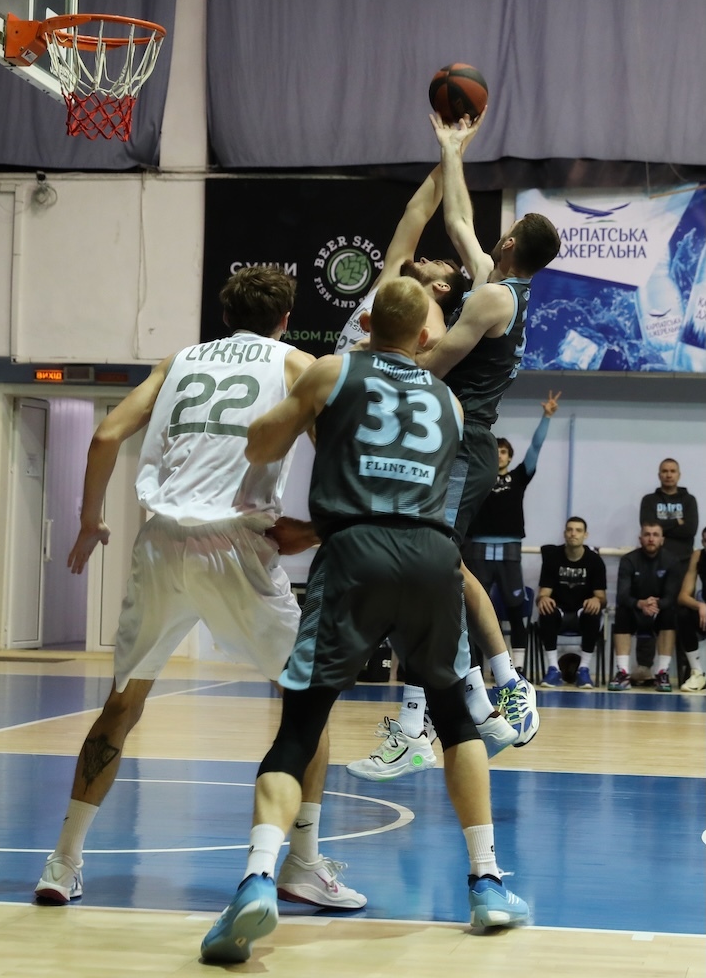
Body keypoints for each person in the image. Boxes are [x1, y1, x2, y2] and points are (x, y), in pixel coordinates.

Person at [200, 277, 530, 964]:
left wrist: (300, 421)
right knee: (455, 720)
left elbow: (260, 446)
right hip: (432, 557)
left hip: (354, 554)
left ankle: (258, 878)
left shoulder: (333, 369)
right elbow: (412, 484)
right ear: (426, 337)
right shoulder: (448, 400)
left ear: (368, 323)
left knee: (299, 728)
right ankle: (488, 883)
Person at [34, 266, 365, 912]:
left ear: (225, 317)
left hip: (160, 544)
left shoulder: (177, 360)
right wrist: (320, 530)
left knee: (121, 707)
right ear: (285, 320)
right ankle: (300, 862)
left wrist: (90, 520)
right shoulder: (297, 363)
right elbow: (339, 456)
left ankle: (63, 861)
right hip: (237, 541)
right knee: (307, 702)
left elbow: (105, 436)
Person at [347, 111, 561, 779]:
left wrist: (371, 363)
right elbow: (459, 220)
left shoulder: (493, 300)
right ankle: (475, 702)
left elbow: (434, 366)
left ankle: (479, 697)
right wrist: (452, 150)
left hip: (464, 442)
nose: (480, 240)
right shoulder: (496, 282)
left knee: (432, 572)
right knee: (435, 573)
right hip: (446, 440)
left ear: (510, 245)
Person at [462, 392, 561, 676]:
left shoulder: (519, 476)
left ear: (510, 456)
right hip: (478, 551)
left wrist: (547, 417)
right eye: (495, 450)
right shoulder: (477, 476)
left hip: (509, 551)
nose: (499, 455)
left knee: (517, 609)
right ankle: (475, 669)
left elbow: (536, 448)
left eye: (504, 451)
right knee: (473, 611)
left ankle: (517, 669)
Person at [535, 517, 607, 689]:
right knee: (546, 610)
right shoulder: (553, 558)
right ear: (565, 533)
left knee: (593, 612)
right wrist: (543, 599)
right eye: (570, 530)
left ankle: (584, 670)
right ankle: (553, 669)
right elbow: (543, 594)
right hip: (559, 611)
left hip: (582, 613)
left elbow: (602, 598)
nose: (573, 533)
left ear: (585, 535)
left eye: (578, 530)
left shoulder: (594, 561)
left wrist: (596, 600)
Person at [609, 522, 681, 692]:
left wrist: (656, 604)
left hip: (659, 611)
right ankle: (623, 673)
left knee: (670, 614)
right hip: (635, 610)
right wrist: (640, 603)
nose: (651, 538)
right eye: (647, 534)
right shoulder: (629, 560)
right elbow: (622, 595)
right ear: (640, 538)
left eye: (655, 535)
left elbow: (671, 596)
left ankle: (662, 673)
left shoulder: (672, 561)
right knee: (621, 612)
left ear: (662, 540)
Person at [639, 458, 699, 577]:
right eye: (665, 471)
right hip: (654, 560)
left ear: (679, 475)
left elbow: (690, 530)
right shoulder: (649, 500)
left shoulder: (689, 500)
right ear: (659, 475)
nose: (669, 475)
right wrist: (676, 521)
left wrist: (660, 527)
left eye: (672, 471)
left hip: (683, 561)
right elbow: (647, 528)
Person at [676, 526, 706, 691]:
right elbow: (683, 596)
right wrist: (700, 605)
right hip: (704, 615)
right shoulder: (698, 555)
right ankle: (698, 673)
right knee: (683, 613)